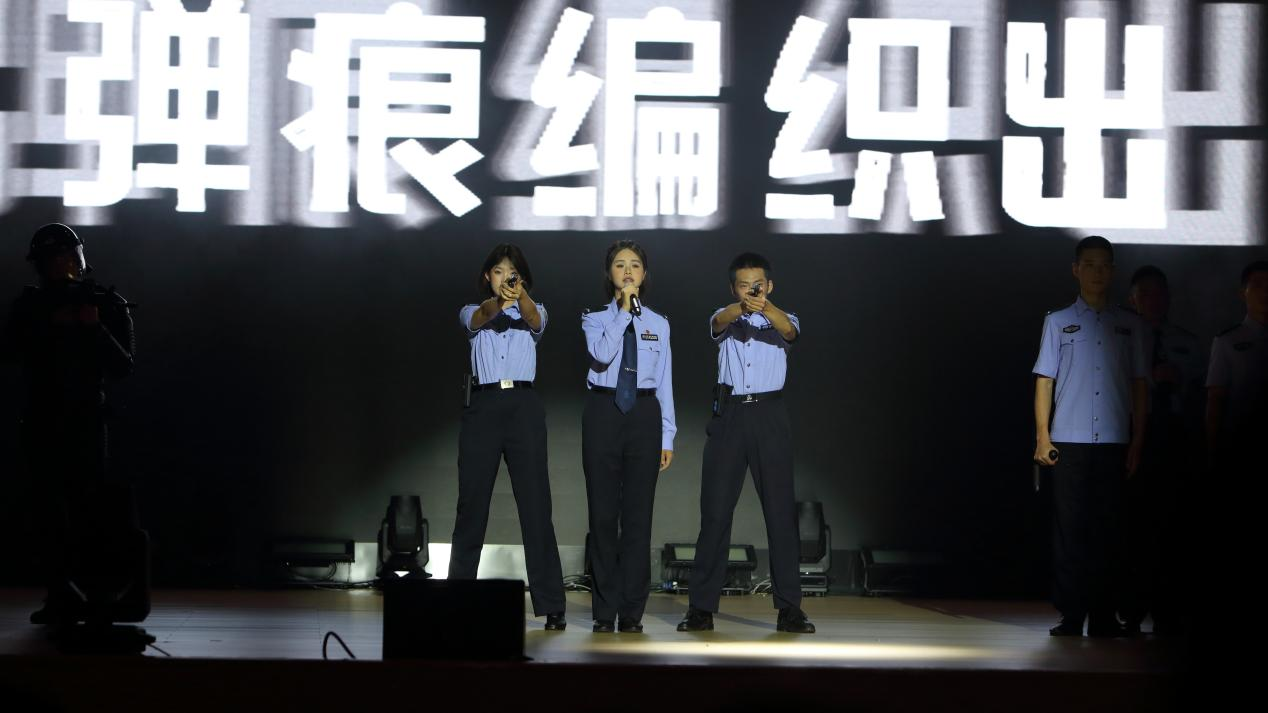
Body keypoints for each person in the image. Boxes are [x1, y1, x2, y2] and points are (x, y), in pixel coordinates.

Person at [0, 223, 135, 625]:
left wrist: (94, 327)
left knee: (89, 510)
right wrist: (48, 326)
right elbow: (8, 351)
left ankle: (97, 595)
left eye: (67, 257)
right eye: (54, 259)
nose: (64, 266)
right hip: (42, 420)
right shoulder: (29, 307)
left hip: (85, 421)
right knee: (47, 513)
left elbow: (123, 366)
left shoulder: (106, 303)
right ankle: (61, 594)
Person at [677, 252, 814, 634]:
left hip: (769, 414)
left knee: (780, 513)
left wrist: (764, 307)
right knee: (716, 513)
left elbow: (790, 331)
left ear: (769, 286)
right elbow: (718, 322)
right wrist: (741, 308)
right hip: (730, 416)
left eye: (758, 285)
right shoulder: (726, 317)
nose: (751, 291)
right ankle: (701, 608)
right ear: (733, 288)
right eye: (744, 285)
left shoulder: (783, 318)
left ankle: (790, 608)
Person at [1032, 235, 1147, 638]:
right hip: (1069, 439)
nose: (1097, 273)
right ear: (1076, 270)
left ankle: (1103, 614)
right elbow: (1045, 380)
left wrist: (1138, 440)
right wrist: (1042, 436)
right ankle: (1071, 613)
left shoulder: (1130, 324)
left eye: (1104, 265)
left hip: (1115, 439)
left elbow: (1140, 384)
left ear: (1112, 271)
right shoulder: (1058, 321)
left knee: (1110, 531)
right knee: (1070, 531)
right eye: (1090, 265)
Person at [448, 244, 566, 630]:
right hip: (483, 406)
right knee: (471, 507)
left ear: (524, 279)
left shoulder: (535, 310)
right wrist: (500, 300)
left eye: (512, 273)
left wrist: (520, 296)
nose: (505, 279)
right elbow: (482, 316)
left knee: (536, 506)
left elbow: (534, 318)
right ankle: (456, 601)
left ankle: (552, 604)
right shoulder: (472, 310)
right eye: (499, 272)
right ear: (488, 276)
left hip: (523, 406)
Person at [581, 240, 675, 633]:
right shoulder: (594, 319)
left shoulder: (659, 323)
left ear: (644, 274)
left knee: (638, 518)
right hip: (604, 411)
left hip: (644, 414)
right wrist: (623, 311)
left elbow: (665, 380)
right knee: (603, 517)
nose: (628, 271)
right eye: (620, 265)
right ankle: (605, 611)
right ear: (610, 274)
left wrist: (667, 435)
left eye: (635, 265)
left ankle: (632, 611)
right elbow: (603, 355)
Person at [1122, 266, 1203, 635]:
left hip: (1174, 436)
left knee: (1172, 524)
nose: (1154, 300)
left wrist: (1178, 380)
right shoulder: (1121, 340)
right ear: (1132, 299)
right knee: (1134, 525)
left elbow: (1202, 393)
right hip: (1133, 434)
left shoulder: (1188, 342)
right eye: (1146, 293)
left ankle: (1168, 610)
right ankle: (1131, 608)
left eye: (1160, 293)